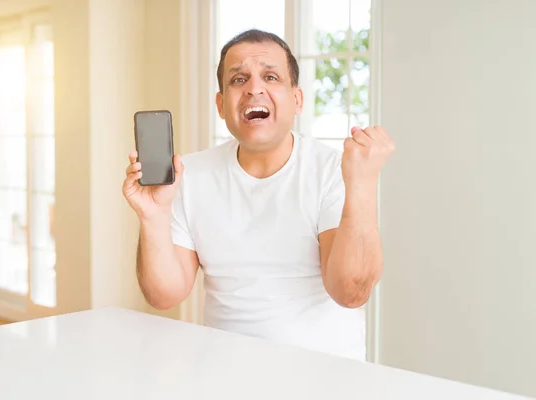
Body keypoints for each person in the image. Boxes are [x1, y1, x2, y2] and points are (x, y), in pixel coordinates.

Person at [122, 29, 395, 356]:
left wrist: (362, 186)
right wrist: (153, 216)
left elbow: (351, 292)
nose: (254, 88)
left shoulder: (332, 171)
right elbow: (163, 296)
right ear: (221, 105)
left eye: (270, 76)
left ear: (297, 100)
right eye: (238, 79)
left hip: (324, 376)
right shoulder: (189, 176)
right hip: (225, 373)